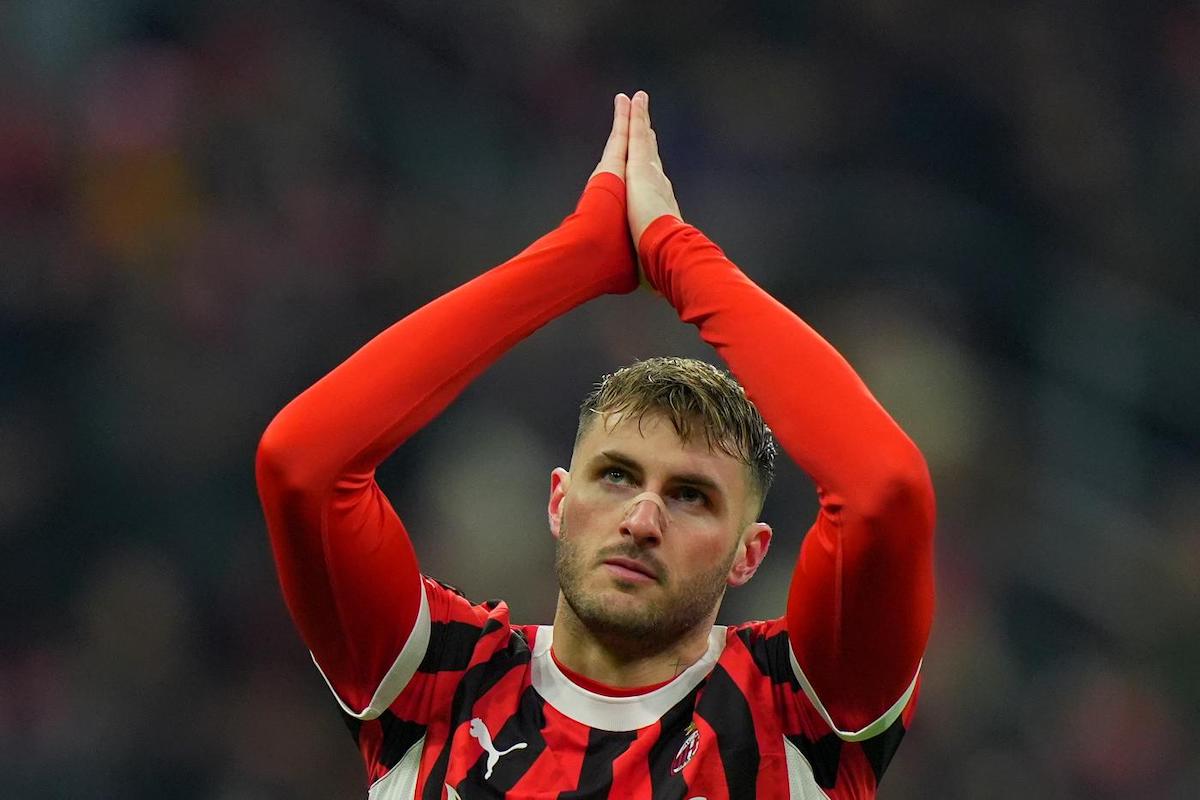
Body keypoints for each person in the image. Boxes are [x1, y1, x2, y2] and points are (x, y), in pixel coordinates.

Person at [255, 91, 935, 800]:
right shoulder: (441, 680)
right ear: (558, 500)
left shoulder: (794, 709)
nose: (642, 520)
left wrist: (677, 254)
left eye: (691, 496)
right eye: (615, 477)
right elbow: (303, 464)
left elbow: (882, 491)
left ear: (749, 553)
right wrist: (576, 257)